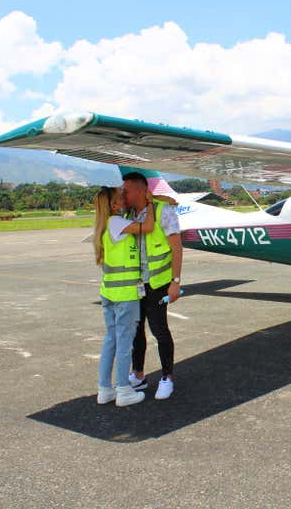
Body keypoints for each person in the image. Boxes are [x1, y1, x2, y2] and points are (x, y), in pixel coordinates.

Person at [121, 171, 183, 400]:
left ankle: (167, 377)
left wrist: (175, 282)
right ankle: (138, 375)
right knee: (136, 332)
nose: (123, 194)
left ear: (139, 190)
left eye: (126, 190)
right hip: (134, 284)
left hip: (157, 283)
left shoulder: (162, 211)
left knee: (160, 331)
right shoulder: (126, 213)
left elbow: (177, 247)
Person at [93, 186, 153, 407]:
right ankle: (124, 390)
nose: (125, 200)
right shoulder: (116, 222)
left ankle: (104, 389)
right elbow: (147, 226)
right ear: (113, 205)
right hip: (125, 294)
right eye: (120, 198)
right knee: (125, 343)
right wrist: (149, 203)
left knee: (111, 340)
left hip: (109, 291)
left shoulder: (106, 224)